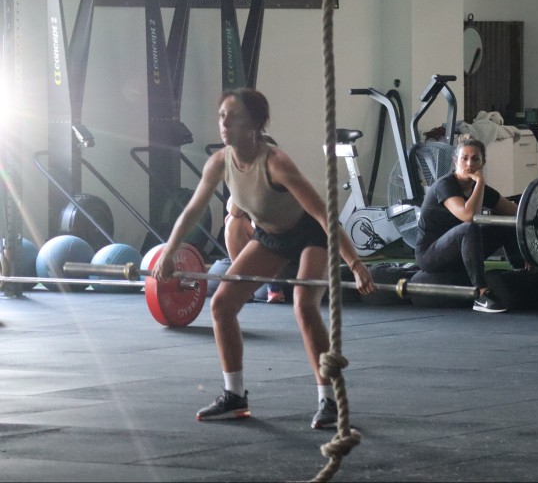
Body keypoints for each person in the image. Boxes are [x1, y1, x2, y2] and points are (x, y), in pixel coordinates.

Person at [153, 87, 376, 427]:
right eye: (222, 116)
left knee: (304, 305)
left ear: (255, 124)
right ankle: (234, 396)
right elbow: (192, 211)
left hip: (310, 233)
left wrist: (355, 264)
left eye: (234, 117)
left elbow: (323, 215)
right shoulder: (219, 163)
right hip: (271, 237)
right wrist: (169, 252)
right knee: (222, 304)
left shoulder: (276, 163)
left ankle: (330, 401)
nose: (225, 124)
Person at [415, 136, 526, 313]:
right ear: (455, 162)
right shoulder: (445, 185)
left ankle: (520, 271)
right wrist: (480, 182)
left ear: (483, 162)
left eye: (475, 159)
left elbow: (518, 213)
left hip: (459, 252)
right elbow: (468, 216)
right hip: (430, 255)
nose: (469, 164)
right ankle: (481, 294)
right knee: (469, 228)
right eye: (464, 158)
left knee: (506, 223)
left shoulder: (480, 189)